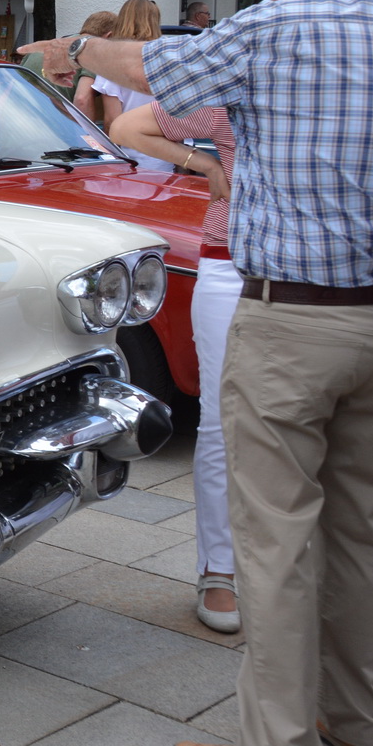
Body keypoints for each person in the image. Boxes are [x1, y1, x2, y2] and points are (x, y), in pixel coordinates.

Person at [20, 0, 373, 746]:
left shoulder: (284, 23)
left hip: (296, 318)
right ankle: (360, 720)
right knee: (368, 530)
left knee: (275, 534)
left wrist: (76, 46)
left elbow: (146, 67)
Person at [110, 102, 240, 633]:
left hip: (339, 266)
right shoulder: (244, 81)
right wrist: (206, 164)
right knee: (221, 418)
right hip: (232, 255)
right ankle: (220, 571)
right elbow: (127, 125)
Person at [90, 0, 171, 172]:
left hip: (129, 156)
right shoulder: (167, 59)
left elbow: (112, 120)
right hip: (164, 155)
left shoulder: (112, 60)